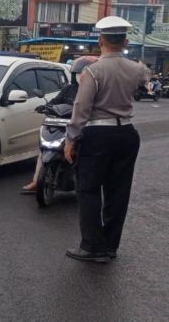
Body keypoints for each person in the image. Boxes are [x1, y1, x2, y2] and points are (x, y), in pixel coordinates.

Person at [64, 16, 149, 263]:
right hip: (127, 134)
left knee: (88, 189)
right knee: (118, 192)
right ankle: (110, 246)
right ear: (125, 41)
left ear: (100, 40)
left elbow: (81, 108)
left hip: (98, 135)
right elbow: (145, 82)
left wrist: (71, 138)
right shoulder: (137, 69)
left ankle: (92, 246)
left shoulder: (93, 71)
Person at [20, 56, 97, 194]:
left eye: (84, 74)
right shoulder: (68, 89)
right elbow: (54, 102)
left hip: (83, 128)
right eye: (78, 74)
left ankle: (86, 184)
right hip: (63, 126)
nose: (81, 77)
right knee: (44, 150)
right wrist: (45, 107)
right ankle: (36, 181)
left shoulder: (94, 91)